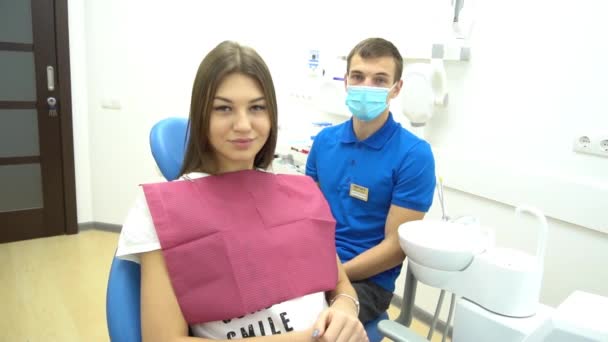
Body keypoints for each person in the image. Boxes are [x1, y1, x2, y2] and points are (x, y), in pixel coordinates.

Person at [116, 41, 367, 342]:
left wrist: (345, 310)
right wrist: (308, 339)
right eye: (224, 108)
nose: (244, 124)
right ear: (201, 116)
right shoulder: (162, 210)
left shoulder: (301, 193)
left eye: (257, 108)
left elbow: (340, 284)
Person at [305, 37, 436, 323]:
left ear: (396, 88)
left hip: (367, 282)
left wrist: (333, 276)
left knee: (312, 325)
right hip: (314, 263)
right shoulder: (325, 141)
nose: (367, 86)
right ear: (346, 81)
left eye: (379, 80)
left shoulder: (414, 155)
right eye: (358, 76)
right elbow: (306, 217)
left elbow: (395, 248)